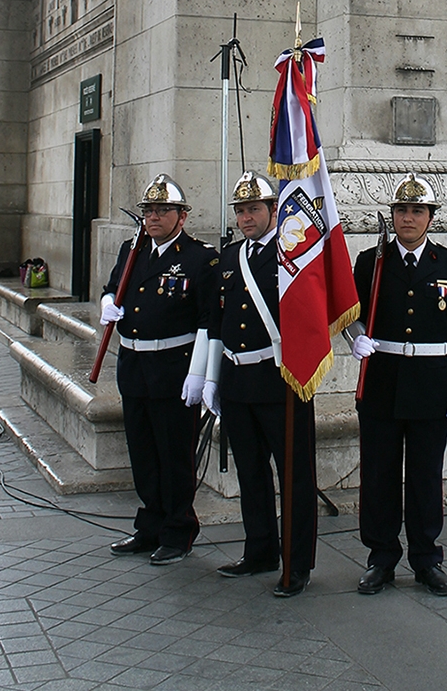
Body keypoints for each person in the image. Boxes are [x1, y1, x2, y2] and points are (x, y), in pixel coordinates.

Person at [347, 173, 447, 597]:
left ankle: (426, 559)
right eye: (401, 210)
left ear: (430, 218)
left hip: (429, 384)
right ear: (392, 215)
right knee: (379, 474)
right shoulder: (372, 261)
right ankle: (381, 558)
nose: (408, 218)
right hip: (382, 380)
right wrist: (356, 337)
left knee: (424, 477)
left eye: (417, 211)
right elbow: (351, 314)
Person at [203, 170, 317, 598]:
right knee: (251, 473)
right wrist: (212, 378)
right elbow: (216, 320)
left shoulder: (295, 256)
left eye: (254, 209)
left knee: (293, 476)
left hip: (280, 379)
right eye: (240, 210)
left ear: (274, 210)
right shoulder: (230, 258)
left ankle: (298, 562)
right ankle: (260, 550)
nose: (246, 217)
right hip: (237, 379)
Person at [100, 174, 218, 564]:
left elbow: (207, 320)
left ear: (181, 216)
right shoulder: (131, 250)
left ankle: (178, 528)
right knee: (143, 452)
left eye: (162, 210)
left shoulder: (199, 258)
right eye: (148, 210)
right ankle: (149, 524)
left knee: (174, 454)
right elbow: (113, 286)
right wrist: (106, 301)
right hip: (134, 364)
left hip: (174, 366)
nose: (153, 217)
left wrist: (201, 374)